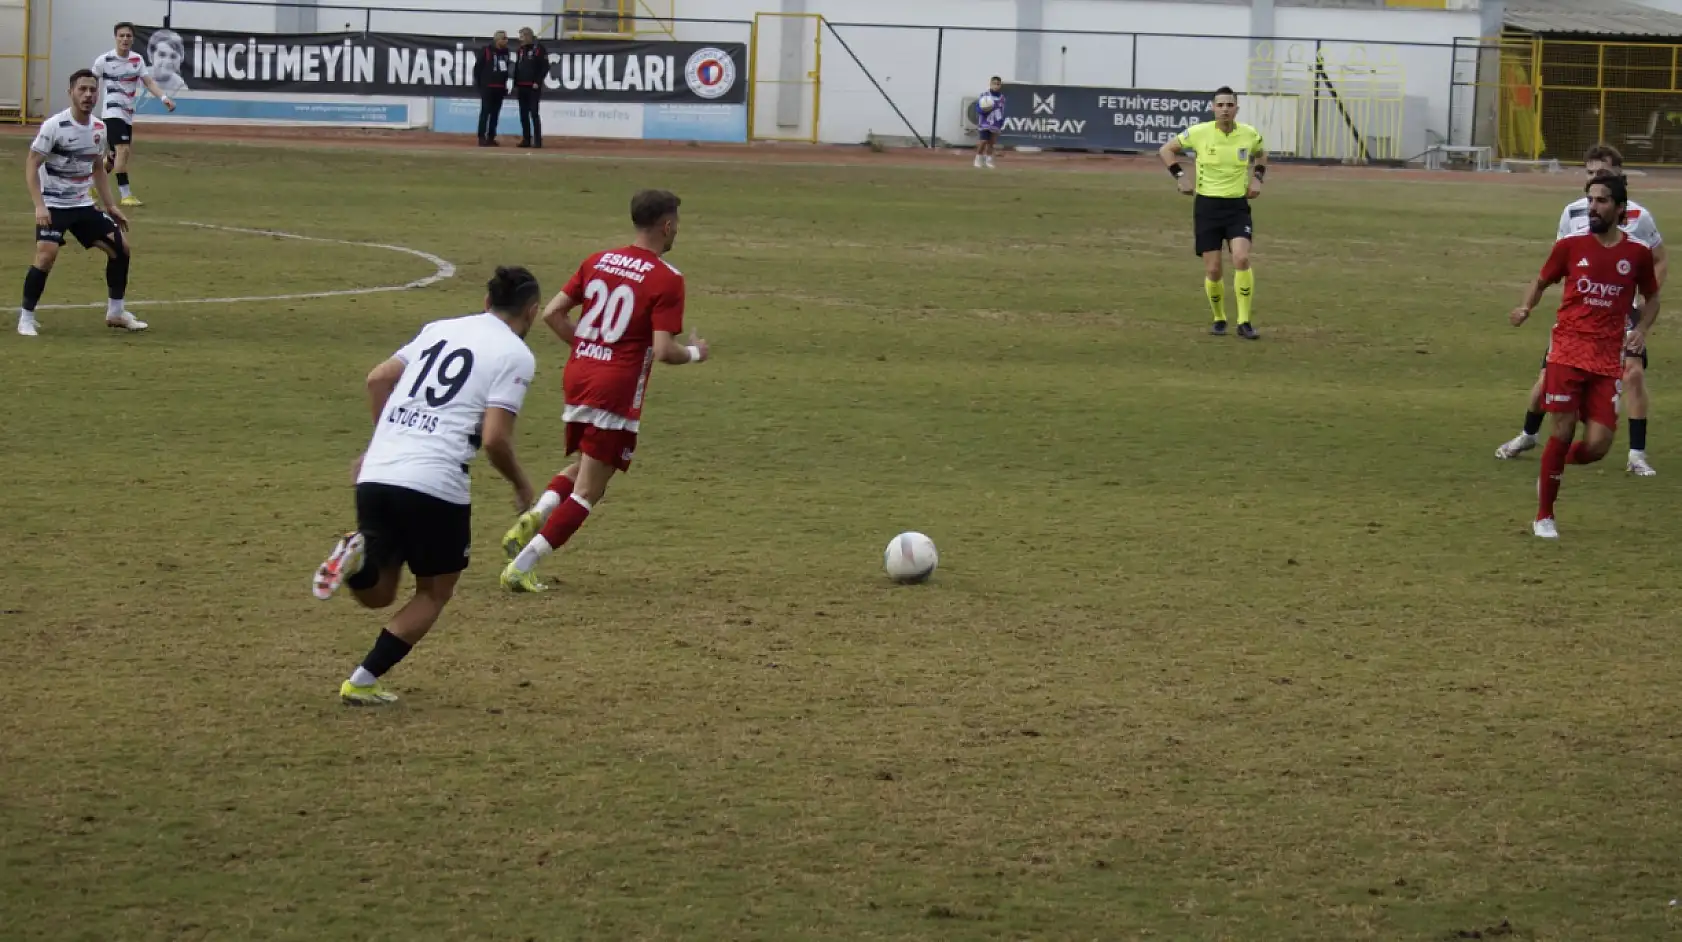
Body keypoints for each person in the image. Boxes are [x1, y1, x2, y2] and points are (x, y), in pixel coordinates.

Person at [313, 267, 542, 705]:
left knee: (379, 592)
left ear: (485, 302)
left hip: (378, 473)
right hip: (435, 482)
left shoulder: (440, 328)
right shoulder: (515, 354)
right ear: (531, 311)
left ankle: (355, 558)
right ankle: (361, 680)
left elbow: (378, 378)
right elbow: (495, 438)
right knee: (434, 591)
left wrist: (384, 440)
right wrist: (521, 485)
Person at [498, 190, 709, 592]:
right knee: (590, 490)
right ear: (667, 226)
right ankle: (522, 565)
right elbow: (664, 350)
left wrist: (589, 348)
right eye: (676, 222)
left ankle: (538, 514)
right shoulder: (667, 278)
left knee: (588, 464)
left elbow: (552, 313)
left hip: (578, 376)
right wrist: (696, 354)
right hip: (615, 389)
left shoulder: (598, 260)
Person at [1497, 144, 1666, 475]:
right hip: (1578, 316)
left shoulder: (1639, 217)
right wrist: (1530, 304)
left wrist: (1643, 301)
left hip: (1622, 310)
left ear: (1618, 176)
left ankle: (1636, 454)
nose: (1596, 181)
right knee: (1547, 378)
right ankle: (1529, 434)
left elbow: (1658, 261)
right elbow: (1558, 260)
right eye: (1590, 174)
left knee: (1632, 374)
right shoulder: (1572, 212)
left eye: (1603, 174)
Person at [1510, 173, 1659, 539]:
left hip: (1608, 358)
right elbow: (1542, 280)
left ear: (1620, 209)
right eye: (1590, 200)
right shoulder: (1571, 246)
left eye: (1602, 201)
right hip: (1566, 351)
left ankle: (1551, 467)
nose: (1593, 206)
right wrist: (1526, 307)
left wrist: (1640, 332)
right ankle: (1545, 514)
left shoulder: (1636, 253)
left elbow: (1652, 297)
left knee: (1597, 446)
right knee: (1561, 428)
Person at [19, 69, 146, 337]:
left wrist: (110, 205)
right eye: (82, 89)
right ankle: (26, 317)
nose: (88, 95)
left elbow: (98, 167)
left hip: (82, 205)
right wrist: (39, 206)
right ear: (71, 93)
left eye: (92, 90)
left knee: (121, 249)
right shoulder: (54, 126)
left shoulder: (99, 129)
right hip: (53, 203)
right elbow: (32, 164)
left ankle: (116, 312)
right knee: (46, 254)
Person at [1158, 86, 1267, 339]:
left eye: (1230, 105)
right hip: (1207, 207)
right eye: (1220, 105)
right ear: (1212, 108)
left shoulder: (1249, 134)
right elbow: (1166, 150)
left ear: (1236, 109)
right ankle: (1219, 319)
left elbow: (1261, 156)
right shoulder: (1199, 133)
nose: (1225, 110)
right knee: (1214, 270)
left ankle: (1244, 322)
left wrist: (1258, 179)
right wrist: (1180, 177)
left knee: (1240, 258)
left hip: (1237, 207)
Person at [93, 22, 177, 208]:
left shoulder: (137, 60)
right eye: (121, 35)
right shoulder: (104, 60)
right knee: (123, 150)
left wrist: (164, 98)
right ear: (115, 37)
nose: (125, 39)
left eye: (128, 36)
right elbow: (91, 82)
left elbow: (148, 82)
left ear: (132, 39)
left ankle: (91, 186)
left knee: (114, 155)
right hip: (111, 112)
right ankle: (125, 194)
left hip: (127, 114)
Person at [473, 31, 512, 147]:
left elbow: (506, 69)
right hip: (487, 87)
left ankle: (491, 136)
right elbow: (478, 68)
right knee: (485, 112)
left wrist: (506, 84)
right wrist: (480, 84)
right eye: (504, 38)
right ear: (498, 40)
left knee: (495, 113)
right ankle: (481, 136)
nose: (506, 41)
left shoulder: (506, 53)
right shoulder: (486, 50)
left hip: (499, 87)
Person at [514, 27, 549, 149]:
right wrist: (515, 82)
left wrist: (537, 81)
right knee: (523, 114)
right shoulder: (520, 50)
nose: (520, 39)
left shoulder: (538, 49)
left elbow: (544, 67)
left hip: (533, 86)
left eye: (522, 36)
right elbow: (518, 67)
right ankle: (526, 138)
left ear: (528, 36)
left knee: (533, 113)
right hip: (521, 85)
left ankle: (538, 140)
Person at [974, 75, 1005, 169]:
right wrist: (984, 110)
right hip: (985, 122)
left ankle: (989, 160)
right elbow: (978, 107)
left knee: (991, 142)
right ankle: (978, 158)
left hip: (995, 122)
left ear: (1000, 85)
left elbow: (1002, 111)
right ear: (990, 84)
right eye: (994, 84)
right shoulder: (985, 95)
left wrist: (1000, 124)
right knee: (983, 141)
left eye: (998, 84)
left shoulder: (1002, 98)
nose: (996, 86)